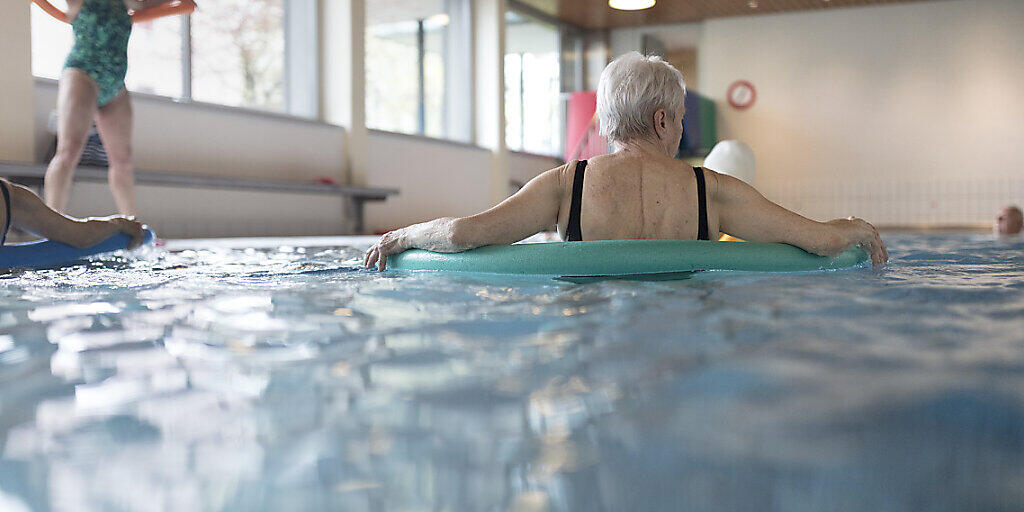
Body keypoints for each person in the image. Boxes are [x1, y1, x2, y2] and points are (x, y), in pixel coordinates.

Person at [364, 52, 888, 270]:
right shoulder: (714, 191)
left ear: (607, 121)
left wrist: (403, 237)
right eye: (680, 118)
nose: (681, 128)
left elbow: (461, 235)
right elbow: (821, 241)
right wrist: (858, 228)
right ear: (663, 121)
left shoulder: (564, 186)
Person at [43, 0, 176, 217]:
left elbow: (152, 3)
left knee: (123, 161)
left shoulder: (129, 1)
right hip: (82, 73)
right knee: (68, 151)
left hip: (115, 84)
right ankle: (50, 223)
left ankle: (132, 227)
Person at [1, 179, 145, 251]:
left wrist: (118, 224)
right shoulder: (10, 197)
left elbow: (78, 235)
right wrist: (118, 224)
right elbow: (79, 235)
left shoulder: (11, 198)